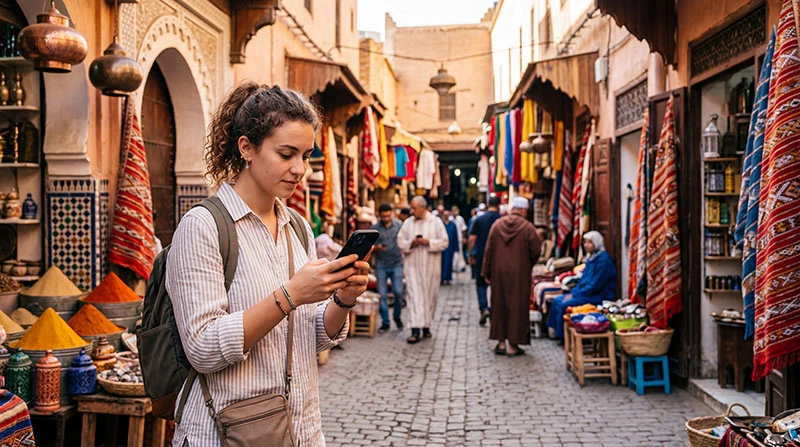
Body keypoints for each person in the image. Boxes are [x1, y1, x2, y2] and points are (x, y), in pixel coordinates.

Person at [166, 83, 370, 446]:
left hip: (300, 430)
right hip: (224, 432)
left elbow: (313, 337)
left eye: (306, 156)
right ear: (246, 148)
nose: (299, 169)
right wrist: (289, 295)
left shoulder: (298, 227)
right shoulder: (202, 227)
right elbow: (202, 347)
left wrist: (342, 299)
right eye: (286, 154)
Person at [482, 196, 541, 356]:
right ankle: (513, 345)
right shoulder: (527, 227)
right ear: (522, 210)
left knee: (499, 305)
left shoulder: (497, 225)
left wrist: (486, 272)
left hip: (498, 272)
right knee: (517, 306)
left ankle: (501, 343)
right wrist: (527, 263)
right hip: (519, 273)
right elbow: (536, 251)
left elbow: (489, 251)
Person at [397, 196, 450, 344]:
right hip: (412, 266)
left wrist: (428, 242)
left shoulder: (436, 222)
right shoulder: (408, 223)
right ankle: (415, 329)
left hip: (430, 268)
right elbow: (400, 242)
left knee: (429, 297)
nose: (411, 211)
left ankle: (426, 326)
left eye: (414, 208)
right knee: (414, 297)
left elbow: (445, 242)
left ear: (423, 208)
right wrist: (411, 243)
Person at [546, 231, 617, 339]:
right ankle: (555, 331)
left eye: (589, 242)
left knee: (565, 304)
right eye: (585, 242)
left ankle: (563, 336)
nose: (586, 245)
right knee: (557, 300)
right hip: (585, 293)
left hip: (598, 295)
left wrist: (576, 294)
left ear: (597, 243)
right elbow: (583, 280)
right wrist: (574, 292)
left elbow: (595, 285)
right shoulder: (591, 258)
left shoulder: (603, 261)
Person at [468, 195, 502, 326]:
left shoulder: (479, 220)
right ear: (499, 205)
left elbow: (472, 239)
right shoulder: (502, 220)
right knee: (496, 285)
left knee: (481, 284)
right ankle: (494, 310)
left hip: (481, 256)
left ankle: (484, 308)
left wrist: (471, 254)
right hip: (498, 257)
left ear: (488, 204)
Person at [371, 203, 405, 332]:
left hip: (396, 263)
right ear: (379, 215)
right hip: (381, 265)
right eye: (383, 216)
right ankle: (385, 322)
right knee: (382, 294)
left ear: (391, 213)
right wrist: (377, 248)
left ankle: (397, 317)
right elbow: (370, 247)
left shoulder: (399, 226)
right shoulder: (375, 228)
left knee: (398, 292)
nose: (385, 218)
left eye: (387, 216)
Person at [440, 210, 459, 285]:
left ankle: (448, 277)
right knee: (442, 262)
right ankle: (442, 278)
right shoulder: (441, 224)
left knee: (449, 262)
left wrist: (456, 247)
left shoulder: (453, 224)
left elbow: (455, 236)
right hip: (442, 246)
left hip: (450, 246)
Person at [451, 205, 468, 272]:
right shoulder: (450, 219)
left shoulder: (460, 219)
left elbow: (463, 229)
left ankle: (460, 265)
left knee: (459, 252)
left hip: (459, 238)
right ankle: (453, 266)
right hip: (452, 239)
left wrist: (463, 238)